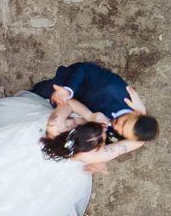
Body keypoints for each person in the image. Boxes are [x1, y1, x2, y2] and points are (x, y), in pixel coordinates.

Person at [30, 61, 159, 150]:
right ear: (136, 113)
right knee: (39, 93)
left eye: (123, 133)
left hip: (72, 122)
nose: (117, 128)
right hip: (72, 93)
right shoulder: (113, 89)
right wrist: (68, 91)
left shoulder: (131, 132)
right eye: (123, 123)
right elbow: (85, 69)